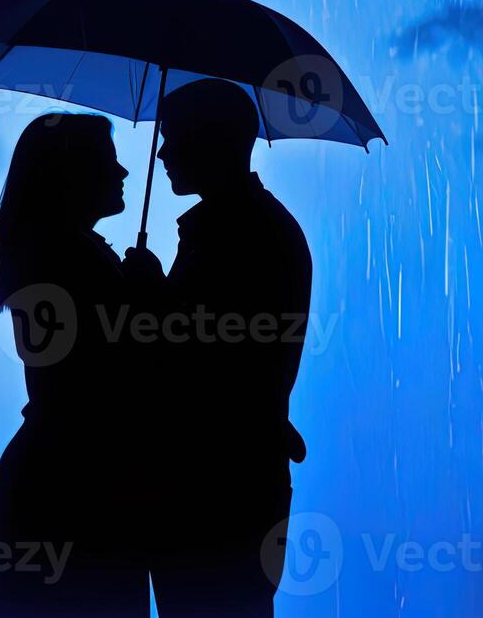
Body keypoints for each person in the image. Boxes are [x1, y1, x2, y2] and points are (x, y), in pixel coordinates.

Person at [123, 78, 312, 618]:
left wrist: (150, 299)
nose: (162, 152)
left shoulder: (243, 235)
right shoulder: (250, 226)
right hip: (230, 484)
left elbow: (212, 363)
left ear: (216, 142)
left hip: (216, 492)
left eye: (176, 137)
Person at [0, 113, 151, 618]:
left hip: (55, 475)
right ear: (73, 173)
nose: (124, 174)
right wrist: (146, 301)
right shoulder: (70, 260)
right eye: (108, 162)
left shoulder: (52, 255)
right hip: (78, 487)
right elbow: (111, 374)